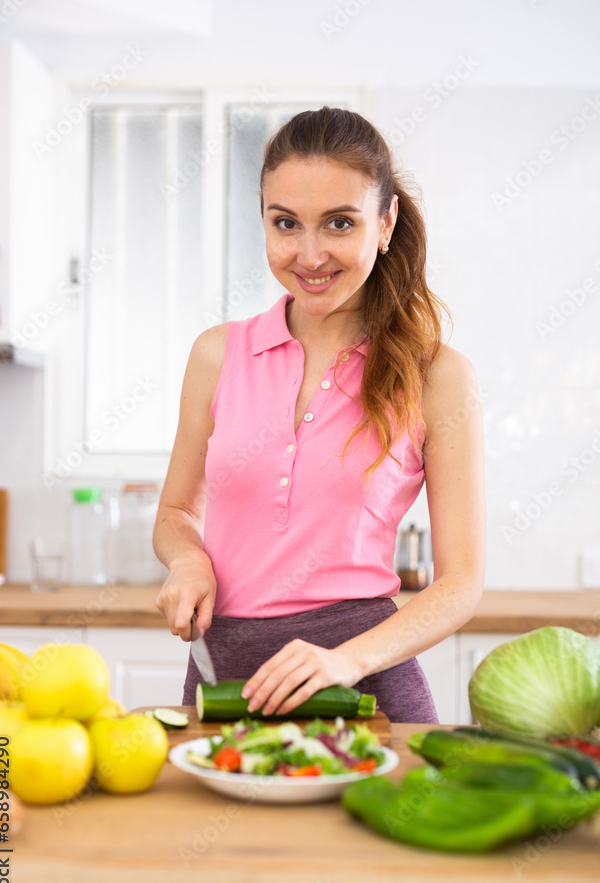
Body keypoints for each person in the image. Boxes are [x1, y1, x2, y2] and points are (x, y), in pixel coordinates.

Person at [153, 106, 485, 723]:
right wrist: (190, 559)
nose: (309, 255)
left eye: (338, 223)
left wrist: (346, 661)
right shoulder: (216, 355)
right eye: (286, 224)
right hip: (224, 677)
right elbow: (175, 513)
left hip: (363, 685)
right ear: (264, 221)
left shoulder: (437, 375)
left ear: (384, 224)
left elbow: (460, 584)